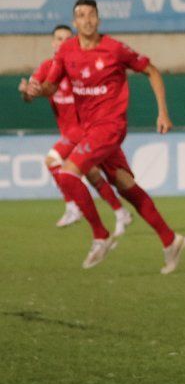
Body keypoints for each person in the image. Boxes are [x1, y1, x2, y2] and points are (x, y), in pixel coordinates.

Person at [26, 0, 185, 273]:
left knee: (66, 173)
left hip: (110, 126)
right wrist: (35, 90)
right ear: (75, 21)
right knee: (126, 186)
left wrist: (163, 112)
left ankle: (100, 235)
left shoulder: (114, 49)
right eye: (80, 15)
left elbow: (152, 71)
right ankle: (170, 240)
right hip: (90, 129)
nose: (86, 20)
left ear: (98, 19)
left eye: (91, 15)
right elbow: (51, 87)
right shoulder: (66, 51)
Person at [19, 24, 131, 234]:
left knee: (52, 161)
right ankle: (120, 212)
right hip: (70, 132)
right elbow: (30, 96)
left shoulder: (77, 67)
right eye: (59, 39)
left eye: (67, 39)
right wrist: (26, 92)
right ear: (53, 43)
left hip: (83, 130)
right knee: (92, 174)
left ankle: (72, 207)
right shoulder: (45, 68)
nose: (63, 42)